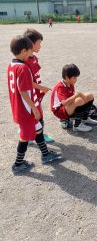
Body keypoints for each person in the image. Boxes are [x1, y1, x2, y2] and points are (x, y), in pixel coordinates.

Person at [8, 36, 61, 174]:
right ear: (24, 50)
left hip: (19, 107)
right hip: (25, 110)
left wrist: (40, 87)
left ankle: (45, 154)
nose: (32, 54)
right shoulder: (23, 68)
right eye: (31, 51)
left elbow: (24, 84)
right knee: (25, 137)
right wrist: (34, 108)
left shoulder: (12, 65)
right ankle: (17, 164)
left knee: (38, 129)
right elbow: (23, 91)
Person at [24, 28, 53, 143]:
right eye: (39, 43)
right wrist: (42, 88)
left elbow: (36, 75)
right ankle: (34, 135)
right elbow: (27, 82)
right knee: (36, 114)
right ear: (31, 44)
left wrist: (40, 88)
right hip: (31, 93)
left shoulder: (34, 58)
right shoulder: (25, 61)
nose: (40, 45)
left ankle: (32, 133)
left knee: (36, 114)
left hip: (37, 92)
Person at [51, 63, 97, 132]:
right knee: (79, 100)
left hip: (67, 108)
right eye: (74, 78)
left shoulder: (70, 83)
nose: (76, 79)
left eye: (76, 77)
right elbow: (64, 103)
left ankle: (85, 118)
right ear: (67, 77)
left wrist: (82, 98)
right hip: (59, 111)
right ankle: (77, 125)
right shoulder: (60, 87)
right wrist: (77, 95)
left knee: (89, 96)